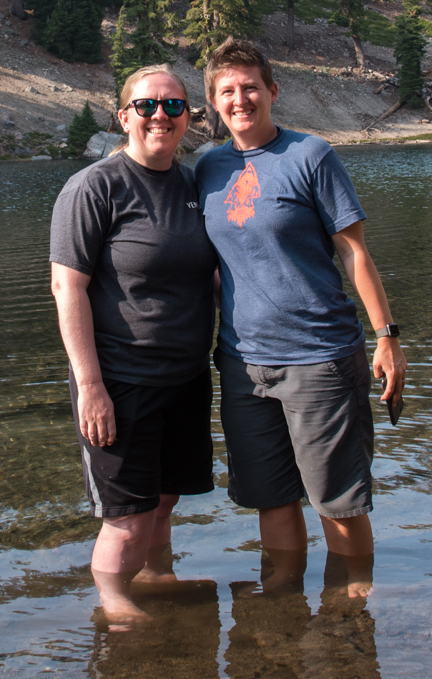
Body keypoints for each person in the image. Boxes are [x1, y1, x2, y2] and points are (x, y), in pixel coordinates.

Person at [193, 37, 405, 591]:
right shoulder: (208, 169)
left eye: (251, 88)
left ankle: (352, 608)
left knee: (337, 504)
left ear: (272, 92)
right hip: (242, 364)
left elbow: (354, 251)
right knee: (271, 498)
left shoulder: (311, 156)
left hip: (319, 359)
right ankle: (281, 607)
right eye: (228, 91)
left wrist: (387, 337)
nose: (241, 99)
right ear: (214, 102)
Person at [49, 65, 217, 621]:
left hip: (185, 377)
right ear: (124, 117)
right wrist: (90, 387)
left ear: (188, 117)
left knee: (165, 500)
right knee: (126, 514)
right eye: (147, 106)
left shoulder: (195, 184)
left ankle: (159, 576)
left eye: (173, 106)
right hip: (121, 379)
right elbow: (66, 285)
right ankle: (115, 606)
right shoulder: (94, 187)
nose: (160, 117)